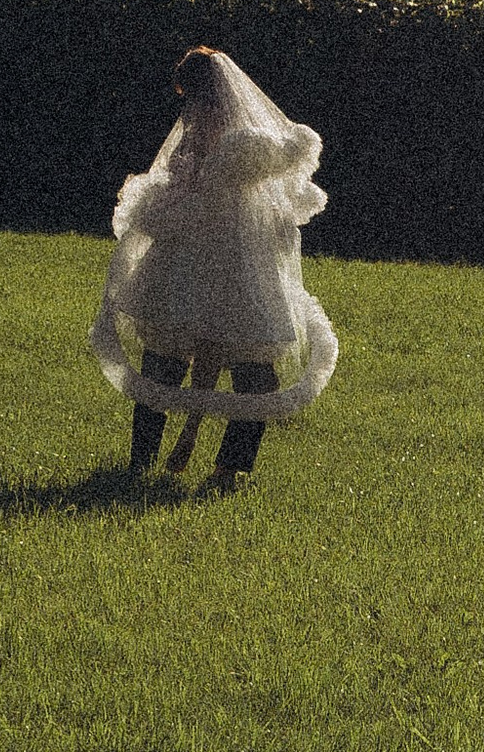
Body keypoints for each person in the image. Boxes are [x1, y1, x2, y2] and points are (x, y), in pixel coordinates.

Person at [90, 46, 338, 485]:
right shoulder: (222, 135)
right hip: (219, 256)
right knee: (221, 362)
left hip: (217, 255)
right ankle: (215, 466)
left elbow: (216, 181)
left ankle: (157, 462)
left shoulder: (236, 141)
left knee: (184, 356)